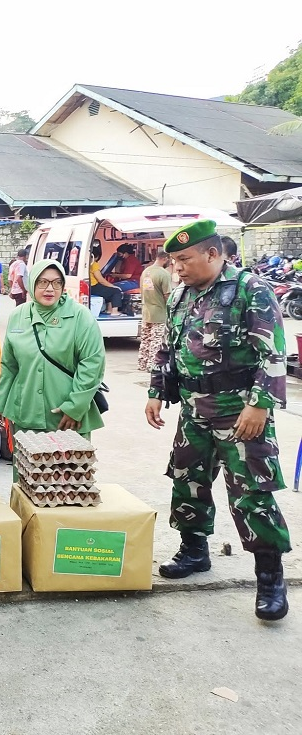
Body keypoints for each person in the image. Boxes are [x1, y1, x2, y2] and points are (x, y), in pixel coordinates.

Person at [146, 220, 291, 621]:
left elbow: (273, 353)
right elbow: (168, 347)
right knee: (188, 481)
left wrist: (260, 405)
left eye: (185, 259)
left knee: (252, 494)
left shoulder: (250, 289)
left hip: (240, 411)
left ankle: (270, 578)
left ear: (213, 254)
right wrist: (157, 390)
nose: (178, 268)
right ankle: (194, 551)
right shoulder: (179, 296)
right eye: (174, 261)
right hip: (194, 410)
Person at [0, 259, 106, 439]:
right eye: (43, 282)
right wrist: (0, 405)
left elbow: (93, 363)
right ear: (32, 283)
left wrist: (74, 407)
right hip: (26, 415)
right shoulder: (18, 316)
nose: (49, 289)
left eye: (56, 283)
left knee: (68, 466)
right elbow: (9, 366)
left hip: (68, 419)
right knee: (27, 466)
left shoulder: (80, 316)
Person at [138, 248, 172, 373]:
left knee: (145, 340)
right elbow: (168, 295)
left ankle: (142, 363)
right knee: (156, 341)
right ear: (165, 259)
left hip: (146, 311)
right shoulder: (164, 274)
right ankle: (153, 366)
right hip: (159, 313)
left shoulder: (146, 272)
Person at [89, 242, 123, 316]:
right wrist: (113, 286)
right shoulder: (93, 264)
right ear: (97, 256)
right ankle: (115, 312)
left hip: (90, 287)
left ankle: (109, 310)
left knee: (107, 291)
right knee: (116, 291)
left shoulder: (87, 263)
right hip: (94, 287)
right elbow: (100, 279)